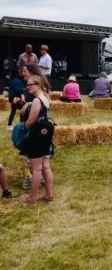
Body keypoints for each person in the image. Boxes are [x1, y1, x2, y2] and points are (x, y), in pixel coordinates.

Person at [20, 74, 54, 204]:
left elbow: (31, 121)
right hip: (46, 133)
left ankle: (33, 198)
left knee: (37, 168)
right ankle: (49, 195)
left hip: (37, 134)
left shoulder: (36, 101)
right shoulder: (45, 98)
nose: (27, 87)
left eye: (30, 85)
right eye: (27, 85)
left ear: (38, 85)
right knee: (46, 166)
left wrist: (22, 128)